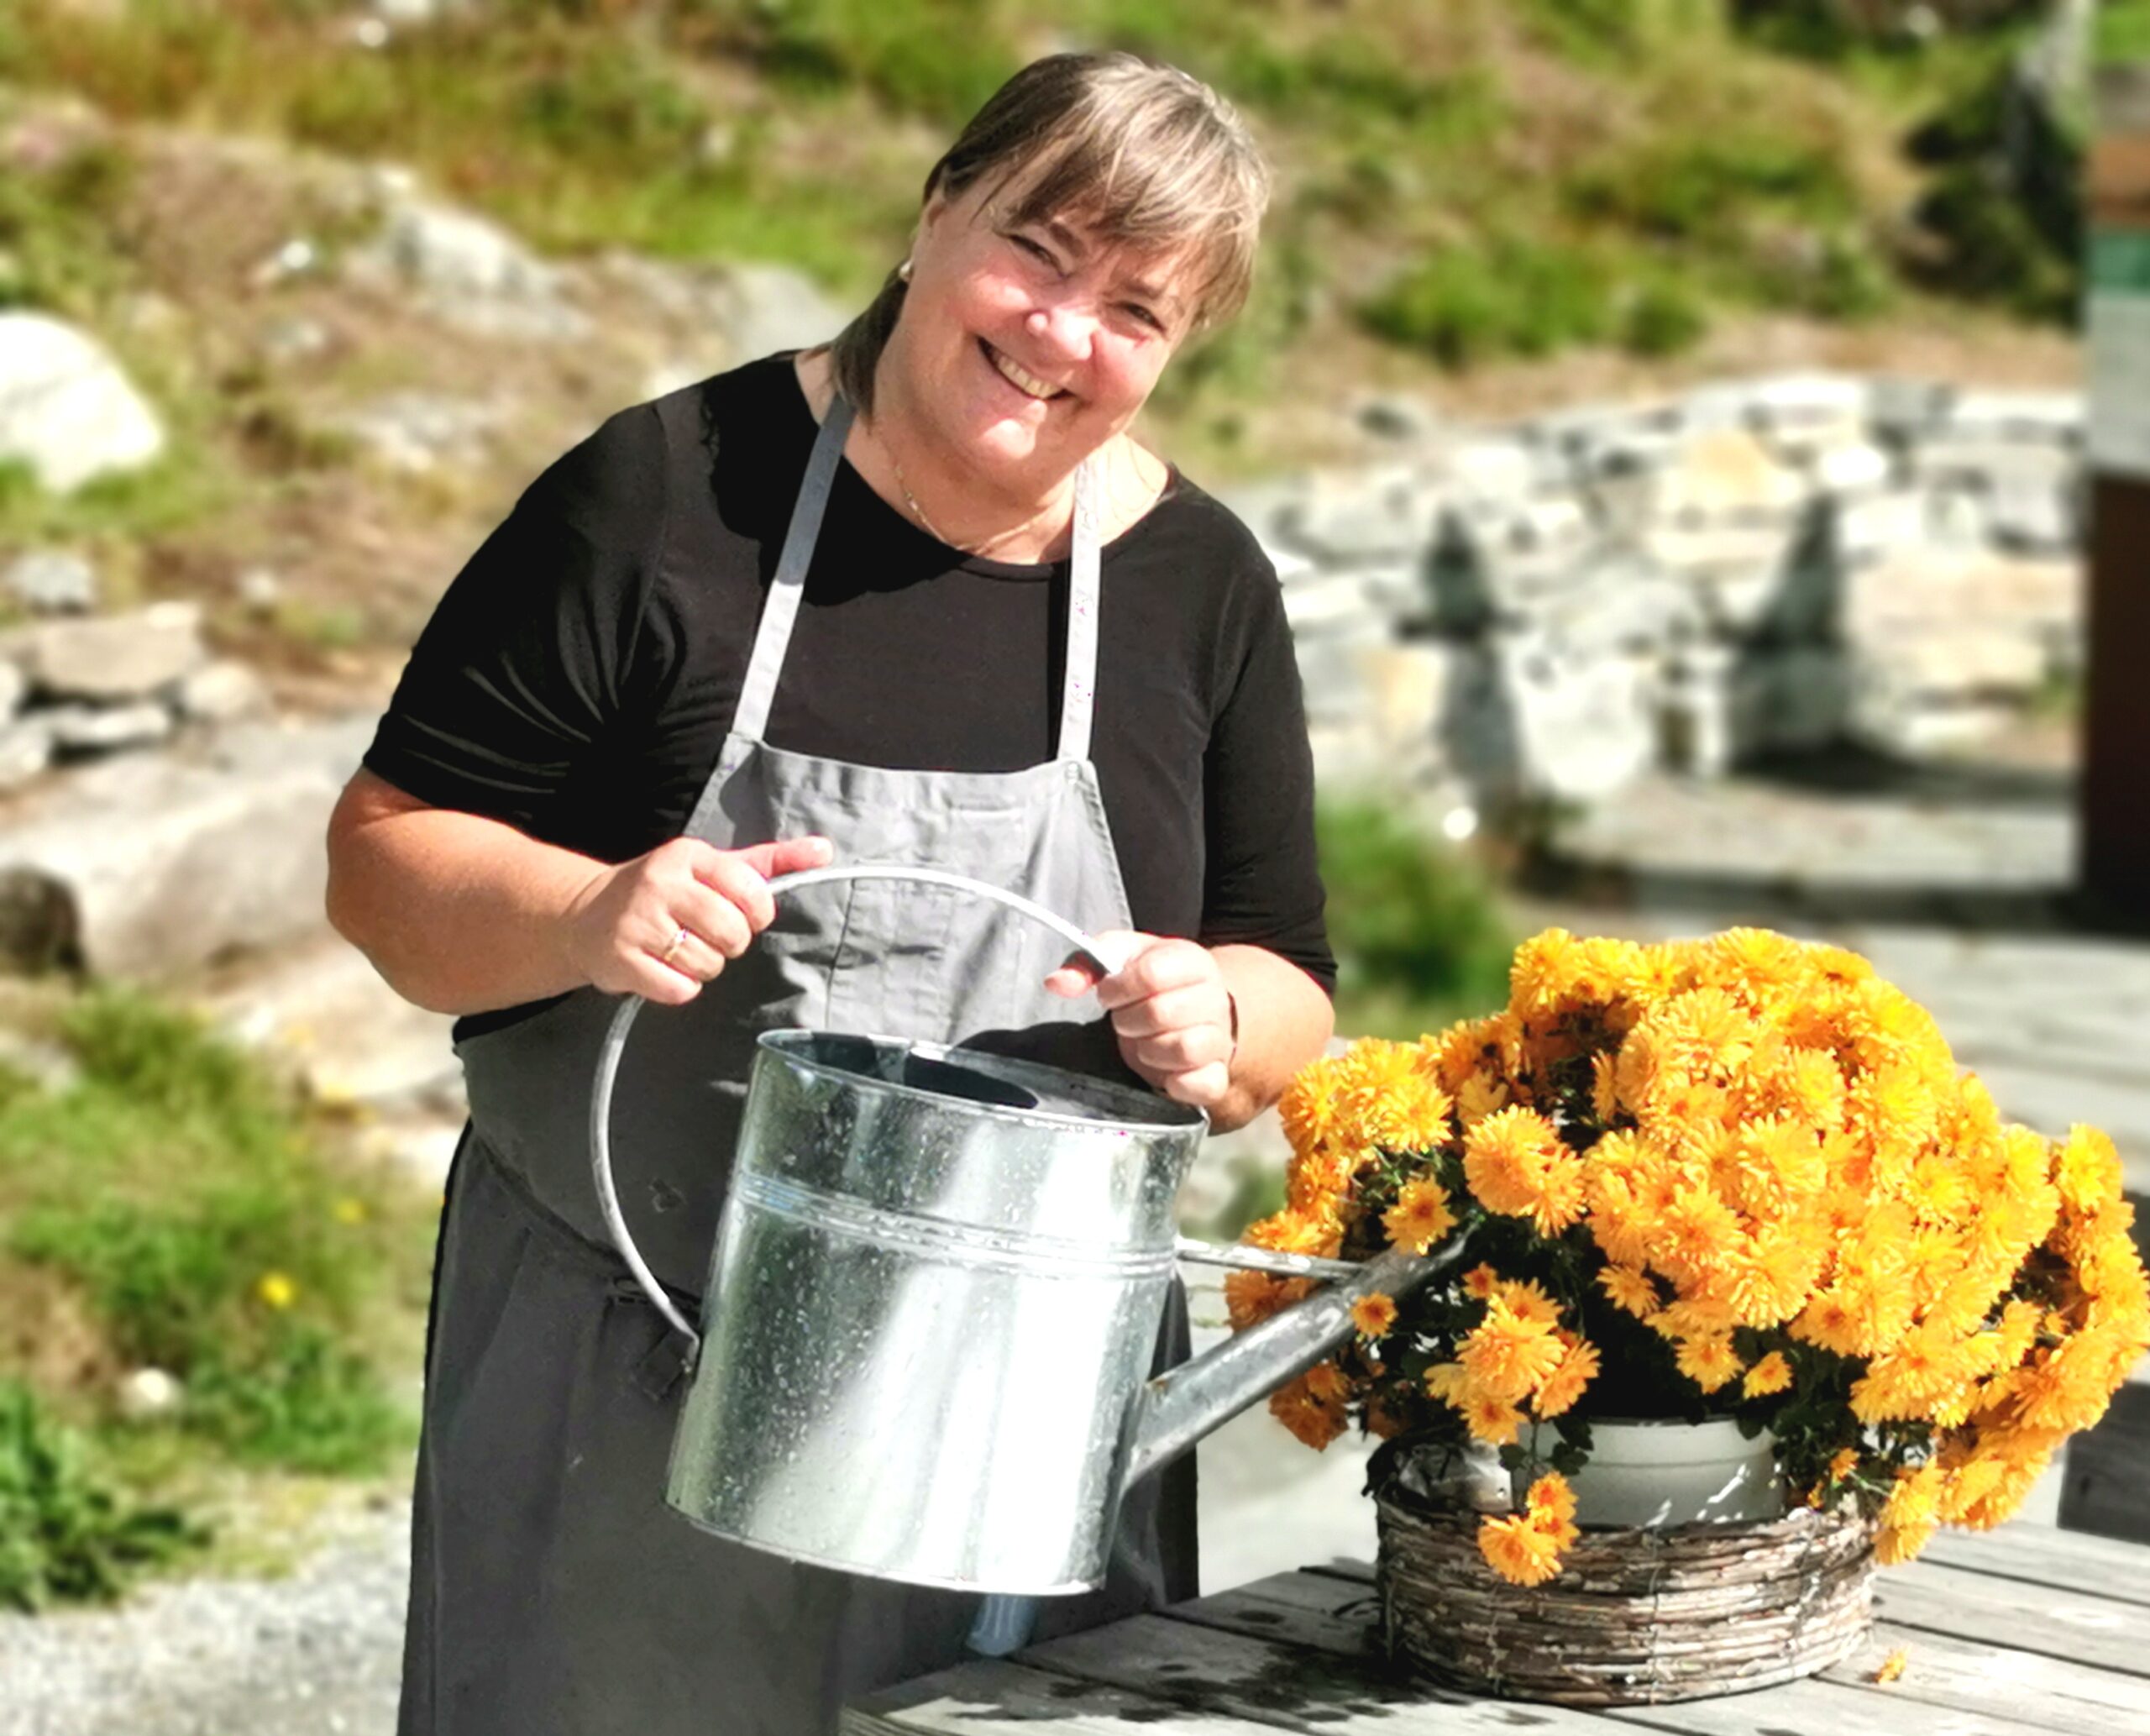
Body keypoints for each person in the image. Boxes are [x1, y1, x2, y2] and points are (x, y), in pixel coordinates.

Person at [326, 50, 1335, 1736]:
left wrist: (1218, 1017)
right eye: (1038, 247)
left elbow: (1286, 983)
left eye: (1134, 309)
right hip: (627, 1393)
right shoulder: (662, 499)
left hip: (1020, 1435)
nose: (1061, 329)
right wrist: (581, 913)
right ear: (937, 208)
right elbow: (383, 858)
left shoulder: (1196, 585)